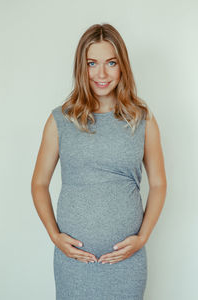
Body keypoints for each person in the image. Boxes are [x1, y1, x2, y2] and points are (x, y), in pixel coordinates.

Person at [31, 23, 167, 300]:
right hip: (74, 263)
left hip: (126, 263)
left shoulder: (142, 120)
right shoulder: (61, 120)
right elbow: (39, 183)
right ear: (82, 67)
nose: (101, 74)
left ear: (122, 67)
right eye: (92, 63)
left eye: (111, 63)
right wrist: (54, 236)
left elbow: (159, 183)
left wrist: (143, 238)